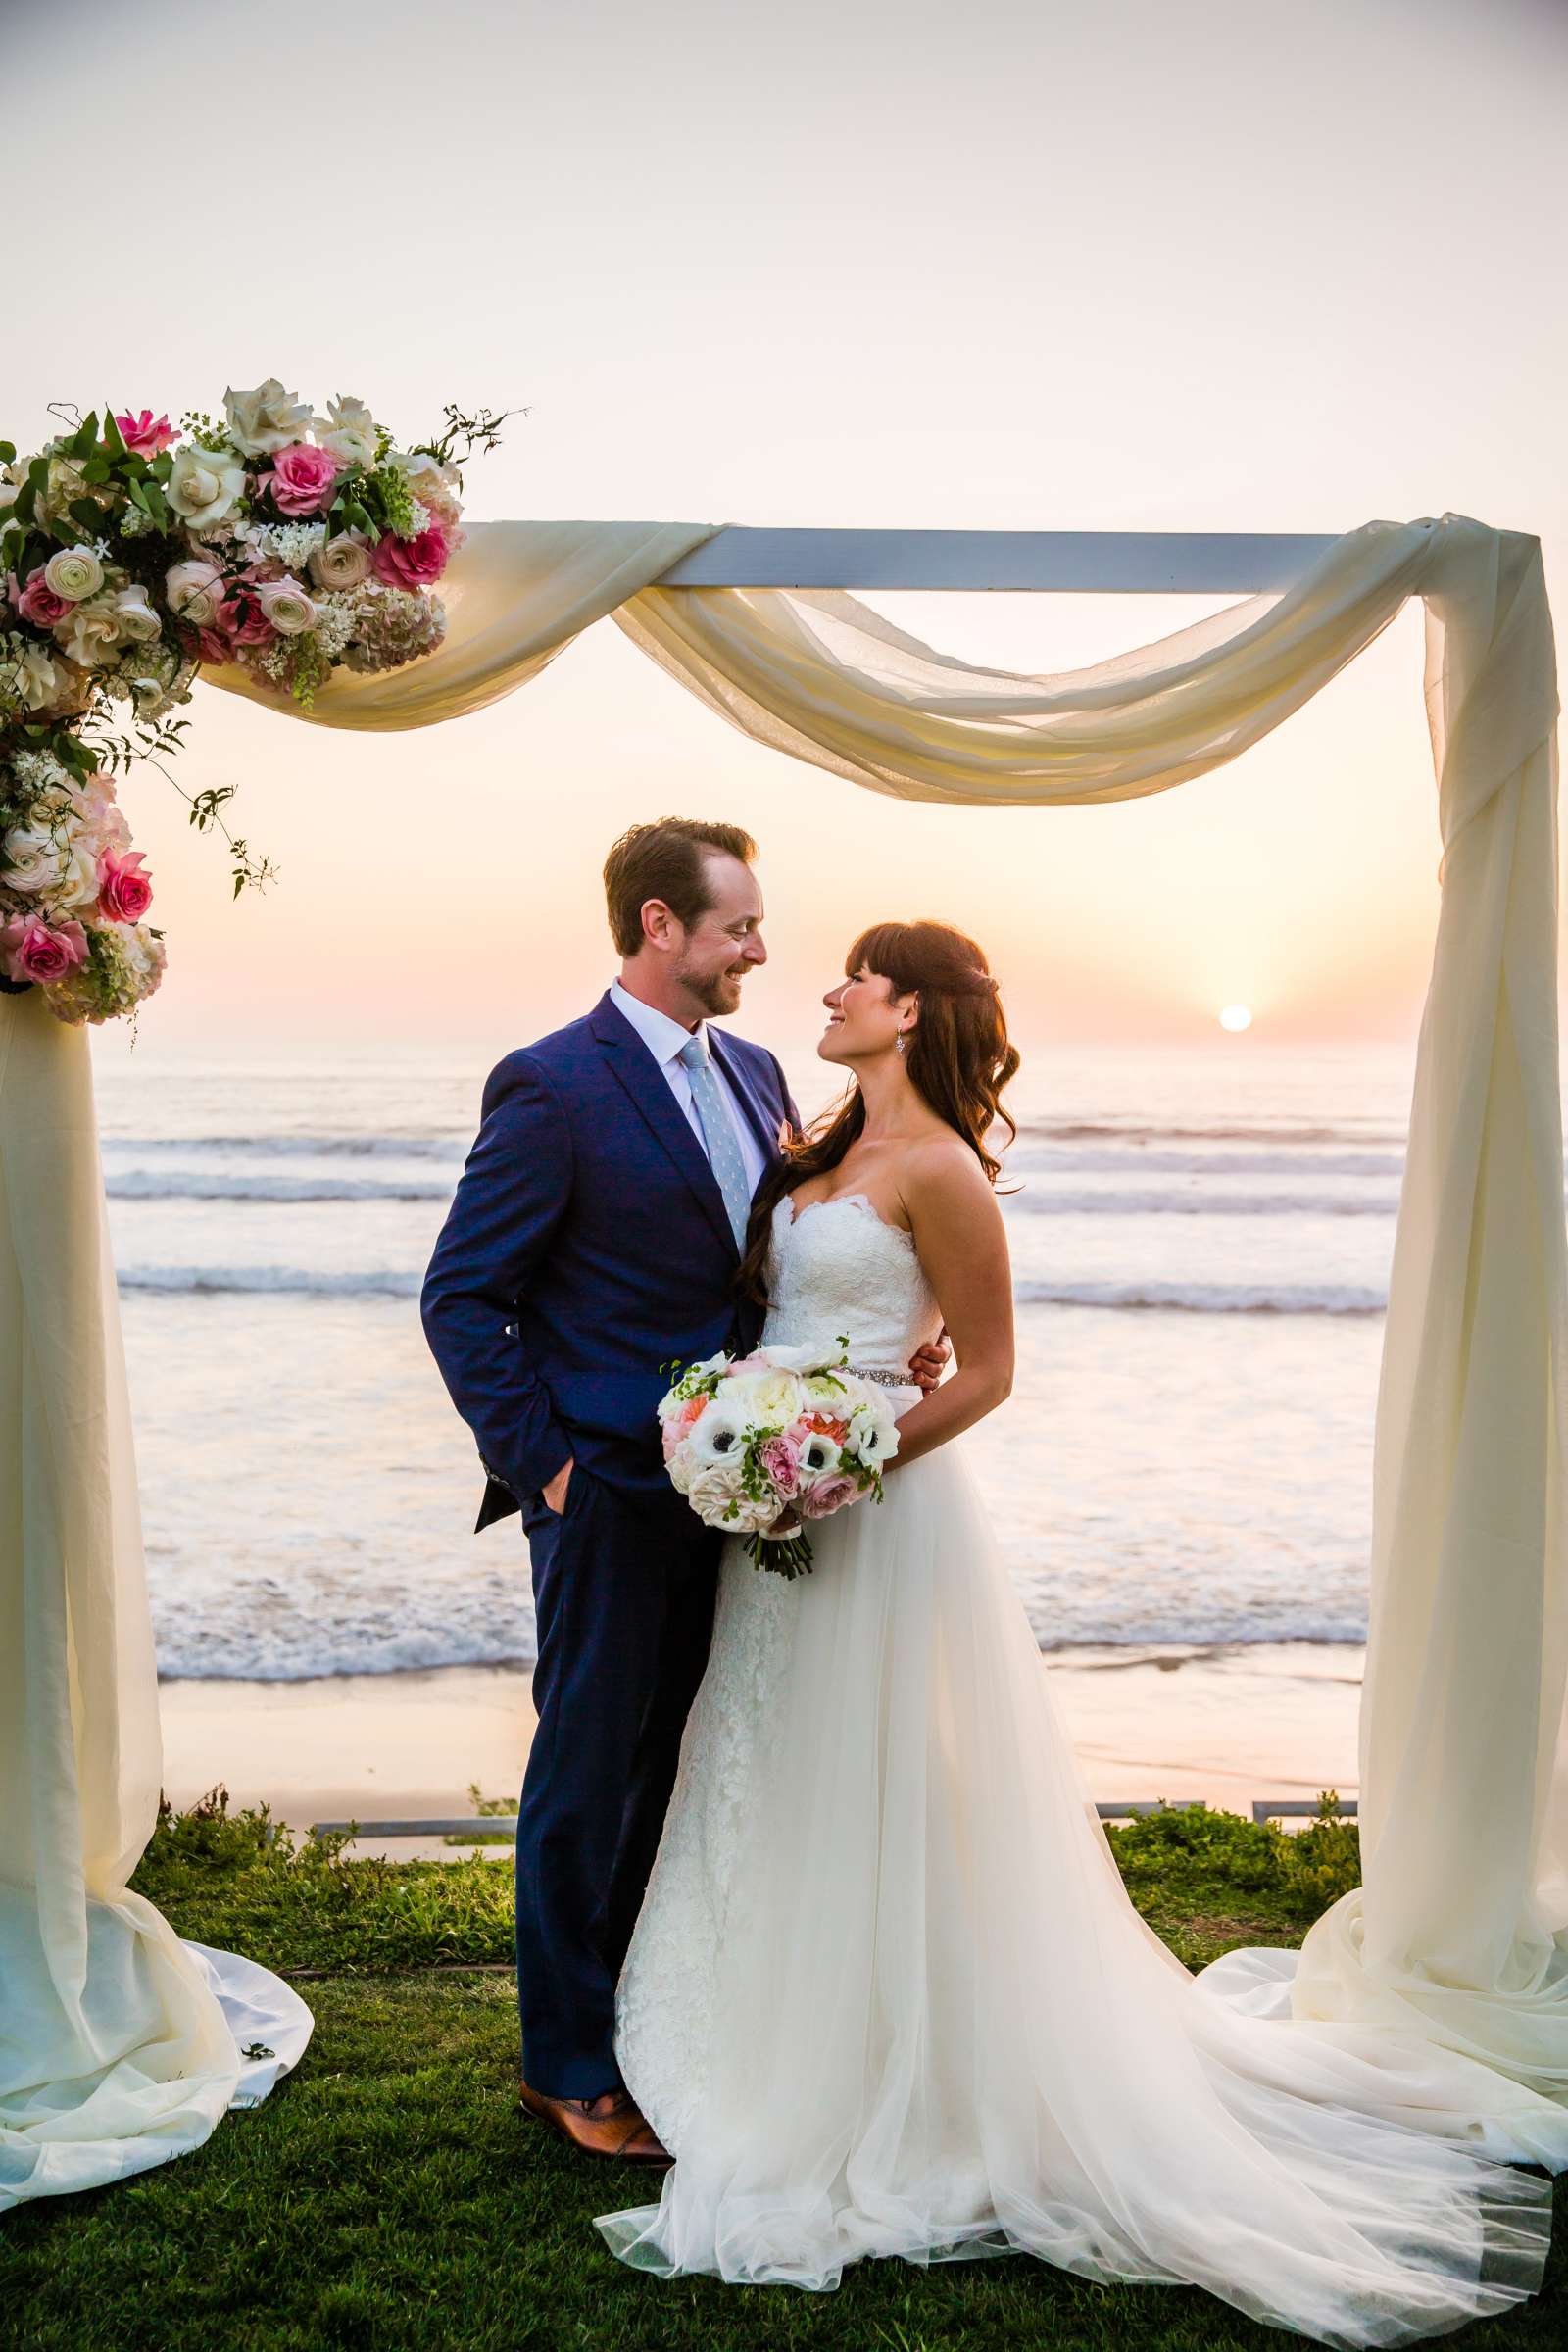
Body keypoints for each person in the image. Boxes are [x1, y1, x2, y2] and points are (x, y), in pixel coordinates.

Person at [595, 918, 1556, 2344]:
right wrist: (752, 1444)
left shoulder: (945, 1177)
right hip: (776, 1516)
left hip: (874, 1512)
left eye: (861, 976)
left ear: (911, 1012)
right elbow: (780, 1328)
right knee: (775, 1763)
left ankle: (910, 2063)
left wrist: (844, 1461)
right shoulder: (809, 1151)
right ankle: (763, 2026)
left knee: (893, 1777)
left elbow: (986, 1373)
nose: (834, 988)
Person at [419, 823, 947, 2166]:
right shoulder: (552, 1085)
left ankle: (654, 2030)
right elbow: (463, 1295)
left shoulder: (760, 1069)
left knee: (682, 1768)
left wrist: (880, 1350)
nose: (763, 953)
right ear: (662, 926)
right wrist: (543, 1465)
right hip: (600, 1487)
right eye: (740, 930)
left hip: (742, 1486)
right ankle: (566, 2067)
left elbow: (764, 1273)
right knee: (589, 1772)